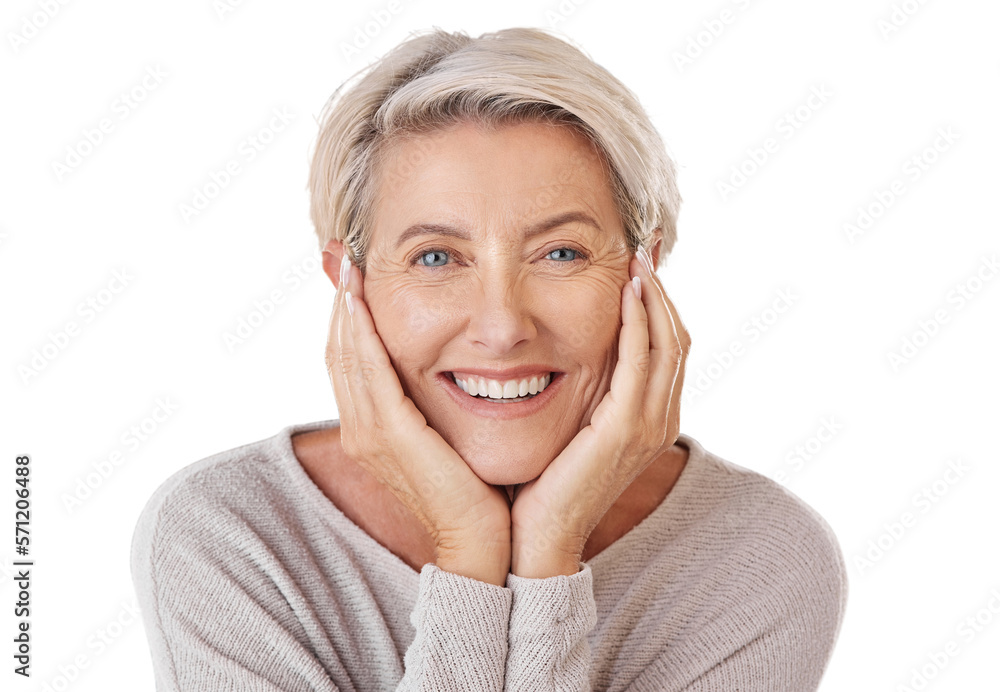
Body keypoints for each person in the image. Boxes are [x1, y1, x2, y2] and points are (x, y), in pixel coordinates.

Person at [131, 26, 847, 691]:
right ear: (349, 281)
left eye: (560, 253)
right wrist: (469, 551)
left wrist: (550, 556)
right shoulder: (232, 534)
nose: (502, 326)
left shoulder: (759, 555)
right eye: (436, 256)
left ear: (645, 269)